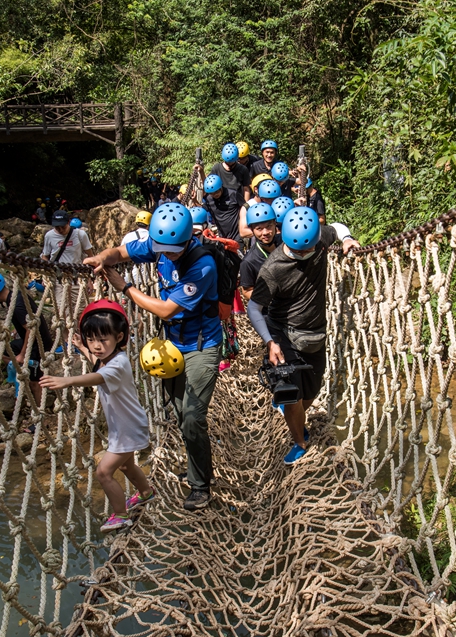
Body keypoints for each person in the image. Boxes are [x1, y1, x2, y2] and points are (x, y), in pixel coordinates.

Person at [83, 203, 222, 511]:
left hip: (202, 346)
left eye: (172, 250)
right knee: (179, 413)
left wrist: (125, 287)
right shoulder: (159, 244)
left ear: (187, 240)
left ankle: (200, 486)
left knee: (193, 417)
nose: (167, 254)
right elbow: (120, 252)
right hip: (171, 347)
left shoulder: (203, 265)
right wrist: (102, 258)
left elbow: (166, 309)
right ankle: (196, 466)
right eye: (162, 250)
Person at [247, 208, 360, 465]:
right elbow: (254, 307)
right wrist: (270, 342)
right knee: (294, 395)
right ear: (284, 238)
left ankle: (292, 410)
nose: (302, 255)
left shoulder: (318, 240)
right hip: (283, 332)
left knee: (312, 391)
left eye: (306, 250)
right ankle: (299, 439)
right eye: (296, 251)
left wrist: (347, 239)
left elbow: (338, 226)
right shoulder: (273, 268)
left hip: (315, 331)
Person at [39, 300, 154, 532]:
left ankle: (121, 515)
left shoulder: (118, 364)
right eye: (92, 339)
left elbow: (97, 377)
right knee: (126, 467)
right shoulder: (111, 359)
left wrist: (67, 380)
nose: (97, 346)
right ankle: (147, 493)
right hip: (125, 426)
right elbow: (98, 367)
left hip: (127, 429)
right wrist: (83, 348)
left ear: (119, 337)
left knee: (103, 472)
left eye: (103, 340)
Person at [0, 271, 54, 428]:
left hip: (38, 344)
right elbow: (28, 322)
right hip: (34, 340)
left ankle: (40, 419)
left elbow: (30, 328)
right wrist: (17, 332)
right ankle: (20, 375)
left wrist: (22, 354)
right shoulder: (15, 296)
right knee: (4, 351)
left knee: (37, 383)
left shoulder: (16, 304)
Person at [239, 203, 277, 306]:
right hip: (269, 314)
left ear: (275, 224)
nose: (265, 232)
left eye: (269, 226)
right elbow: (247, 291)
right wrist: (273, 301)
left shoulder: (285, 245)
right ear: (252, 230)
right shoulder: (249, 262)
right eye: (259, 229)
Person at [202, 173, 243, 241]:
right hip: (222, 238)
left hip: (237, 236)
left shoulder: (233, 194)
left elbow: (244, 207)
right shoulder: (209, 199)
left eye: (216, 191)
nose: (215, 194)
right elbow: (202, 209)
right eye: (212, 193)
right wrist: (194, 200)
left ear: (221, 187)